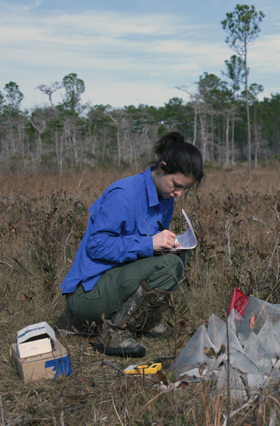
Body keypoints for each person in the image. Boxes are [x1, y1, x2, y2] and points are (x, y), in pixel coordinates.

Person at [61, 132, 203, 357]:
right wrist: (149, 243)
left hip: (117, 278)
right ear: (162, 168)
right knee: (169, 266)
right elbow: (96, 246)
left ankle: (142, 320)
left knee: (179, 256)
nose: (178, 193)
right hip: (87, 294)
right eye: (177, 185)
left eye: (185, 189)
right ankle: (113, 331)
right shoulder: (125, 194)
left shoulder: (165, 199)